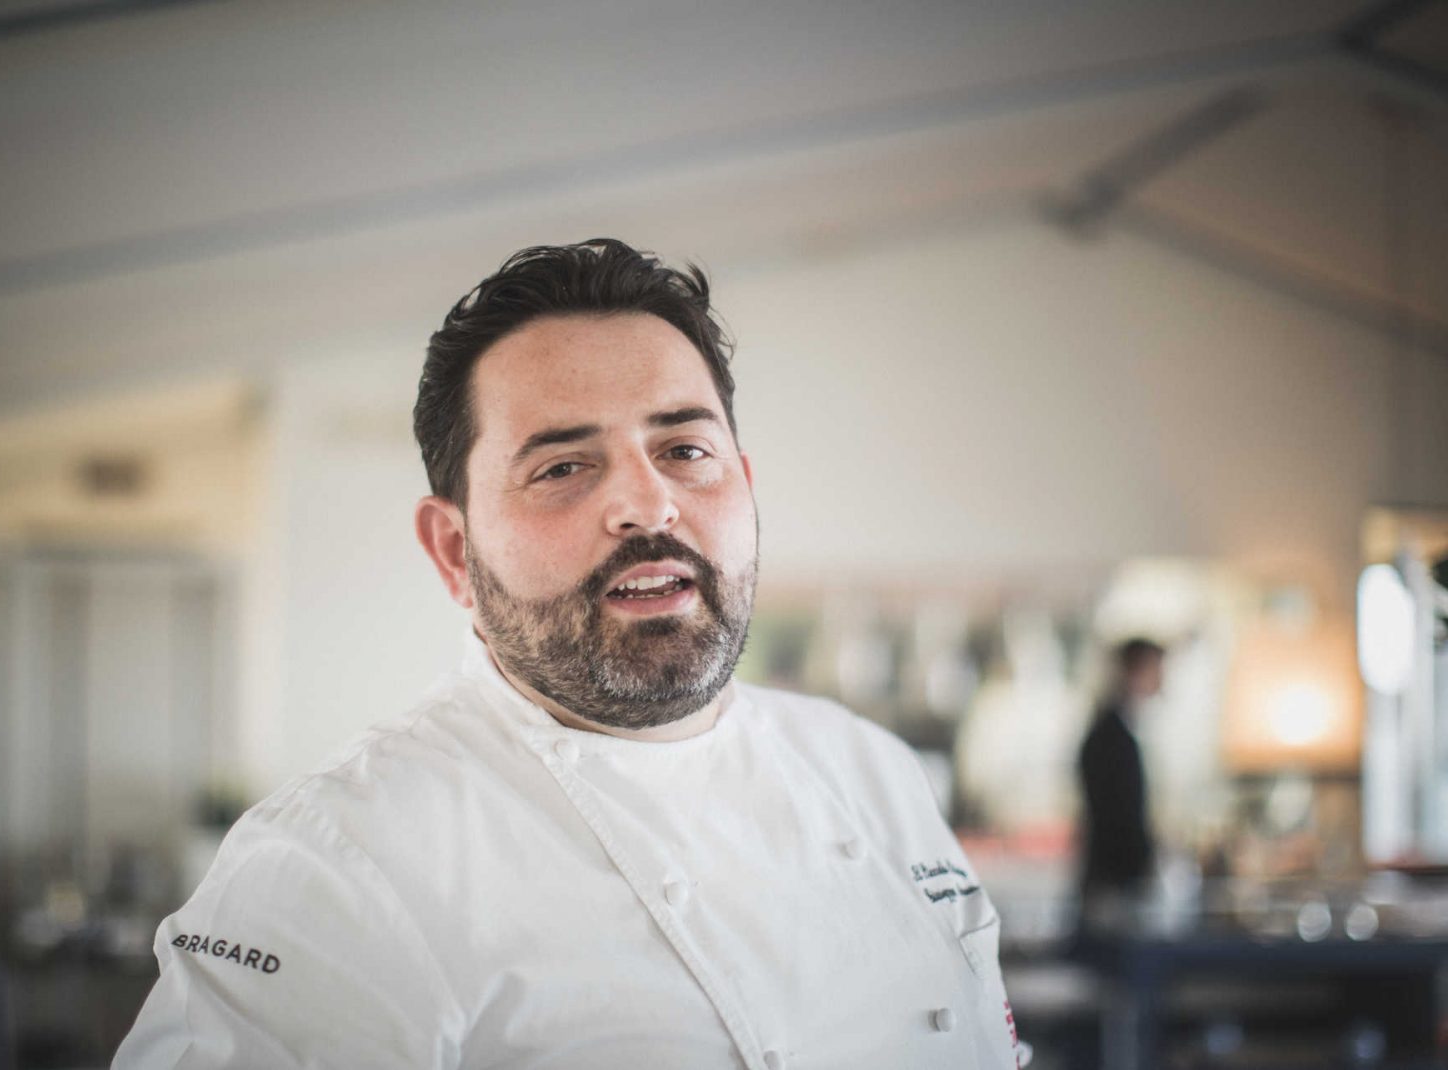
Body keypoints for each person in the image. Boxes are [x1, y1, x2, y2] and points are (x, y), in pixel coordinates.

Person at [114, 239, 1022, 1068]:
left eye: (685, 449)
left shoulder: (870, 773)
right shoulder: (336, 862)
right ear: (455, 551)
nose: (648, 504)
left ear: (744, 488)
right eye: (561, 467)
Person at [1075, 637, 1163, 930]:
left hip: (1114, 880)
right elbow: (1116, 816)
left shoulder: (1117, 731)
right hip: (1113, 883)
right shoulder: (1110, 737)